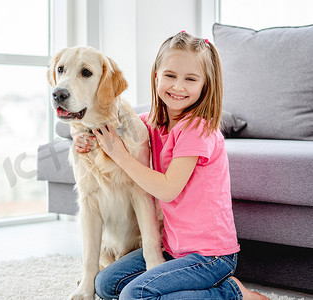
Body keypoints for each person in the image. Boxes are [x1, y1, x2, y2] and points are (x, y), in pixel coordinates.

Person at [73, 31, 269, 300]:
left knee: (136, 295)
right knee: (105, 284)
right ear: (156, 76)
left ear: (205, 85)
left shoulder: (197, 130)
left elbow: (167, 190)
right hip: (172, 249)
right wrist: (85, 137)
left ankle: (232, 292)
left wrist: (119, 154)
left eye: (190, 79)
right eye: (170, 76)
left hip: (210, 255)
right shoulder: (155, 121)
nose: (178, 86)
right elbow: (116, 124)